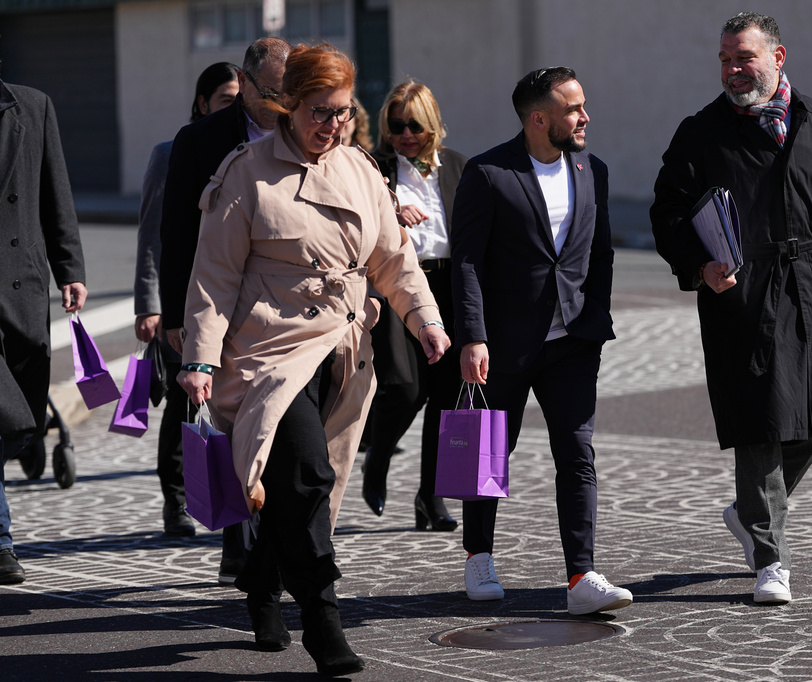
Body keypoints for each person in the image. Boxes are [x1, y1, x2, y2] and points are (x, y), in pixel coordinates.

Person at [176, 43, 449, 675]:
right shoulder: (245, 172)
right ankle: (325, 620)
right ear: (287, 107)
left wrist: (425, 320)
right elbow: (213, 276)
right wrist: (200, 359)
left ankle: (263, 586)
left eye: (344, 113)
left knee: (298, 484)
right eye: (321, 113)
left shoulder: (358, 168)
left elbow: (393, 259)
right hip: (267, 352)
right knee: (307, 477)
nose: (333, 125)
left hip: (345, 348)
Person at [650, 12, 812, 604]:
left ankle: (750, 509)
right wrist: (701, 267)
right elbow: (667, 212)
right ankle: (771, 559)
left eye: (743, 57)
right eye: (724, 59)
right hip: (745, 291)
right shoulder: (701, 131)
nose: (732, 70)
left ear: (778, 58)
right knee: (762, 422)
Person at [450, 67, 632, 616]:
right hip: (504, 344)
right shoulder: (488, 173)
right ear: (538, 119)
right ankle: (479, 555)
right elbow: (466, 262)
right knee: (490, 453)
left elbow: (599, 253)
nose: (585, 117)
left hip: (573, 341)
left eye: (582, 106)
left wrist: (591, 314)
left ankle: (582, 575)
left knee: (577, 455)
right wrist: (473, 337)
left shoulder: (591, 169)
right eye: (574, 109)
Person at [159, 37, 290, 583]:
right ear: (245, 79)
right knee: (235, 425)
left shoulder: (302, 130)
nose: (279, 105)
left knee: (281, 430)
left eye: (290, 93)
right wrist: (174, 319)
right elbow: (176, 235)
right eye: (270, 93)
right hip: (221, 308)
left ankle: (277, 539)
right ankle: (238, 542)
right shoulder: (200, 141)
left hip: (284, 311)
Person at [134, 61, 239, 537]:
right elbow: (156, 233)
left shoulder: (252, 150)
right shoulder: (172, 149)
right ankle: (175, 500)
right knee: (183, 403)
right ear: (202, 102)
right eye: (224, 99)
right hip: (185, 296)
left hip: (235, 297)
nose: (234, 108)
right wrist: (152, 303)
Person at [360, 81, 467, 532]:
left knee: (445, 398)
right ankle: (376, 460)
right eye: (396, 126)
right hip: (395, 287)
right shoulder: (374, 169)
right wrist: (391, 209)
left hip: (448, 286)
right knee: (404, 388)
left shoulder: (460, 167)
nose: (405, 135)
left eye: (415, 127)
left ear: (433, 126)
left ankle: (431, 498)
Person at [0, 74, 88, 584]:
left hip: (20, 285)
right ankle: (1, 541)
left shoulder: (32, 106)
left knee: (21, 417)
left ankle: (28, 438)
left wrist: (69, 269)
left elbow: (56, 190)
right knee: (2, 418)